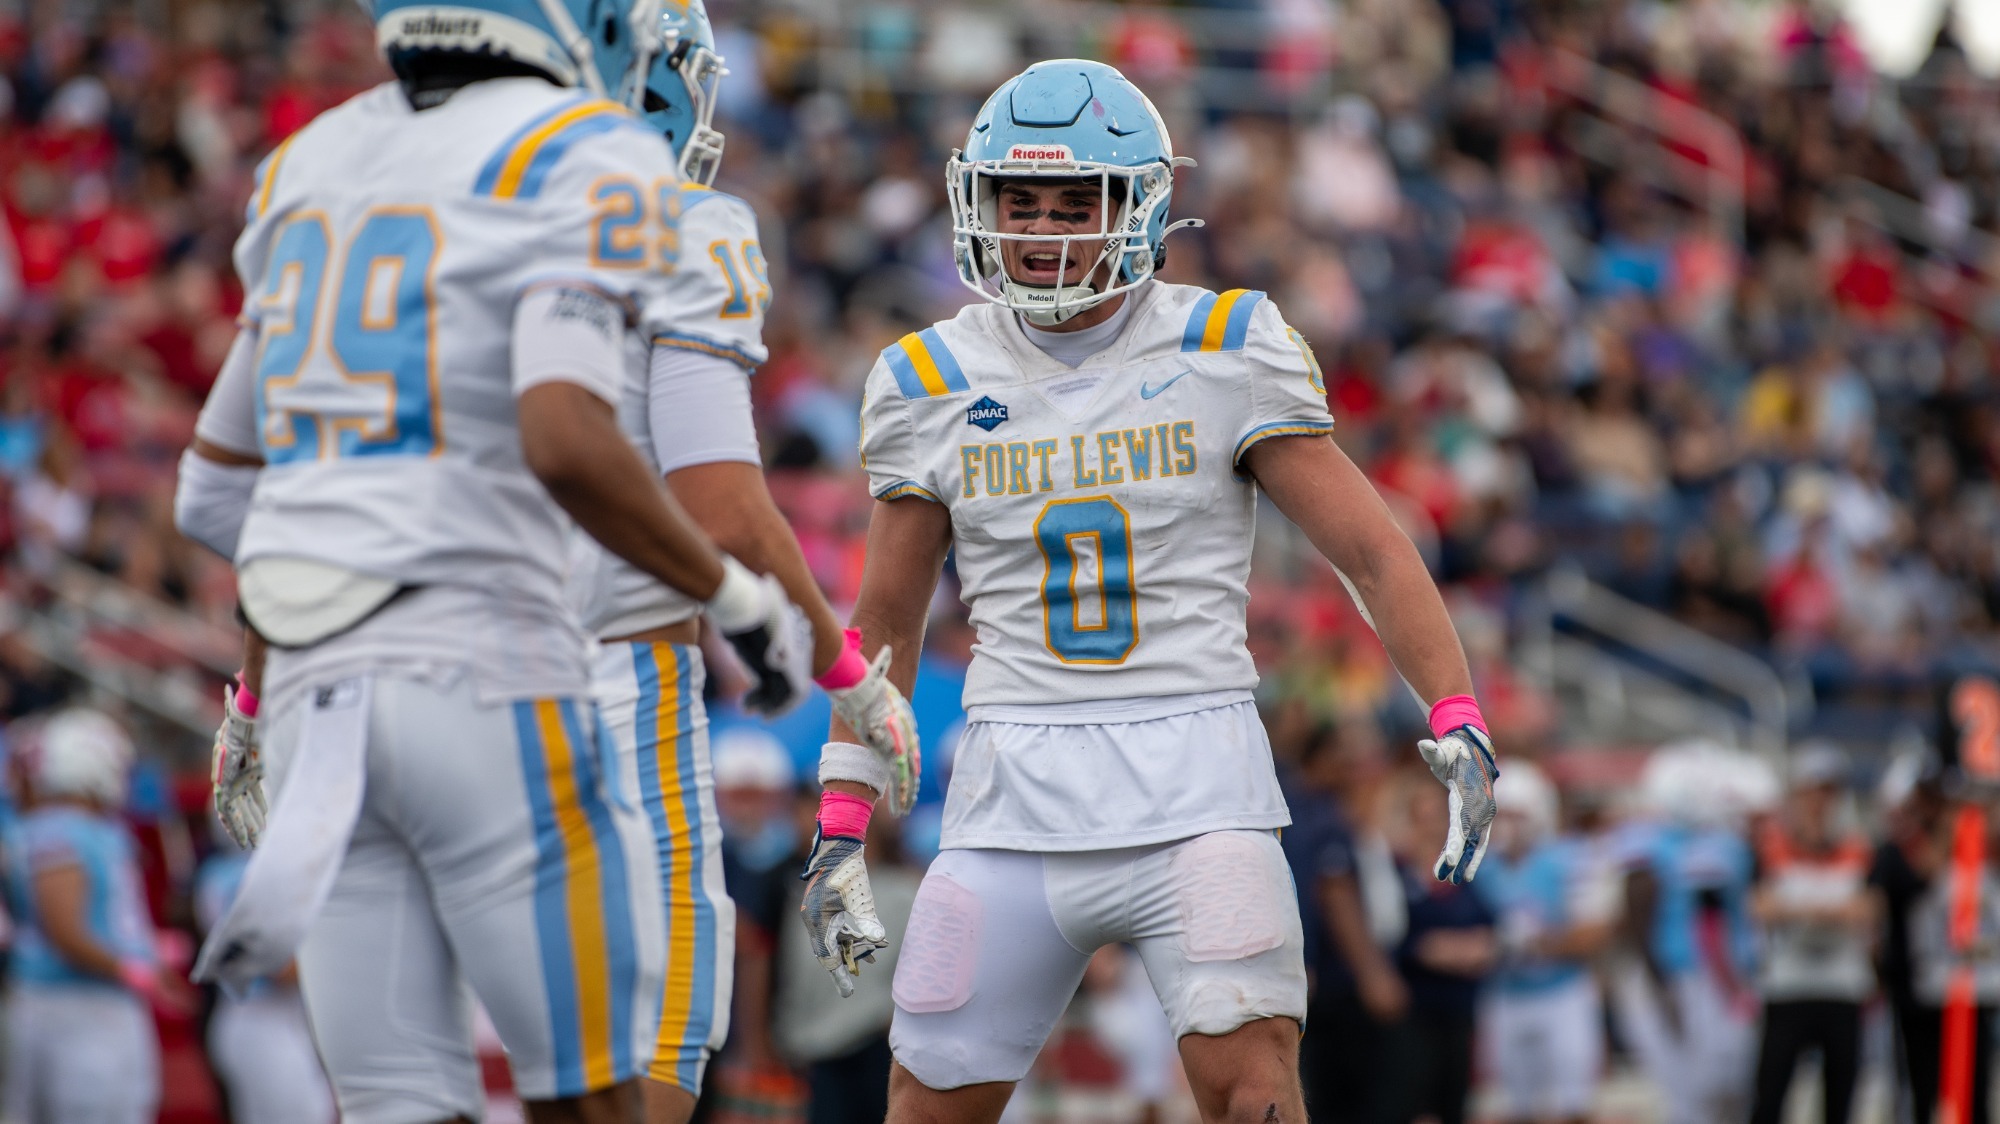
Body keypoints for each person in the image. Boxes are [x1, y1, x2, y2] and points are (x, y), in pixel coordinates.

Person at [793, 58, 1500, 1124]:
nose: (1040, 229)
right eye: (1016, 201)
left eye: (1074, 202)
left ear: (1140, 206)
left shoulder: (1222, 345)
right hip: (1008, 796)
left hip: (1197, 787)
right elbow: (882, 624)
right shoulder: (926, 376)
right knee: (925, 1102)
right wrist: (840, 816)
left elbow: (1371, 553)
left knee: (1252, 1092)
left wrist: (1452, 706)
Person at [171, 0, 828, 1115]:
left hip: (325, 692)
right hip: (509, 672)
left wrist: (266, 674)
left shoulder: (314, 161)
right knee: (605, 1084)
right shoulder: (595, 157)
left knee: (396, 1097)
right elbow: (575, 440)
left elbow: (217, 492)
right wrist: (736, 598)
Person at [566, 7, 918, 1121]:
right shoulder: (676, 222)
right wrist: (845, 670)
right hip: (613, 678)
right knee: (660, 1023)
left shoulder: (416, 210)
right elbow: (721, 503)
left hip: (423, 658)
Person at [3, 708, 190, 1124]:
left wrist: (148, 952)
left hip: (102, 1003)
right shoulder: (58, 828)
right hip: (69, 1004)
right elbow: (65, 928)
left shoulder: (96, 828)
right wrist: (131, 969)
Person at [1477, 760, 1616, 1124]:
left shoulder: (1568, 859)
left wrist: (1537, 944)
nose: (1506, 823)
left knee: (1575, 1105)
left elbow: (1595, 933)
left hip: (1563, 993)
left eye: (1516, 814)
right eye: (1501, 813)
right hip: (1504, 995)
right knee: (1517, 1107)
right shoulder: (1482, 865)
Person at [1746, 743, 1877, 1124]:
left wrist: (1800, 909)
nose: (1819, 802)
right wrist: (1828, 910)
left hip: (1843, 987)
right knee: (1770, 1096)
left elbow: (1868, 908)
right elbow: (1761, 907)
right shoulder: (1771, 847)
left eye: (1828, 792)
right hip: (1788, 985)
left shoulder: (1857, 847)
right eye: (1812, 791)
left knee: (1840, 1098)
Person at [193, 830, 335, 1124]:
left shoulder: (220, 871)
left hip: (263, 1021)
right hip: (262, 1022)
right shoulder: (250, 874)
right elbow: (278, 968)